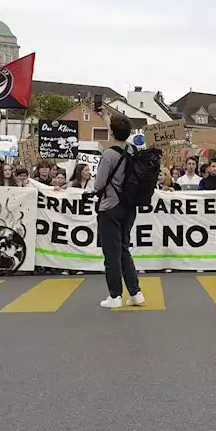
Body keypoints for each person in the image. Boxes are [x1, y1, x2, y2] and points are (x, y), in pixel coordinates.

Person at [94, 114, 144, 309]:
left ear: (112, 132)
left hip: (110, 206)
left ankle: (115, 295)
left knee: (111, 253)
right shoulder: (133, 150)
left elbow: (99, 184)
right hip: (130, 206)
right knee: (124, 248)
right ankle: (135, 292)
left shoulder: (108, 154)